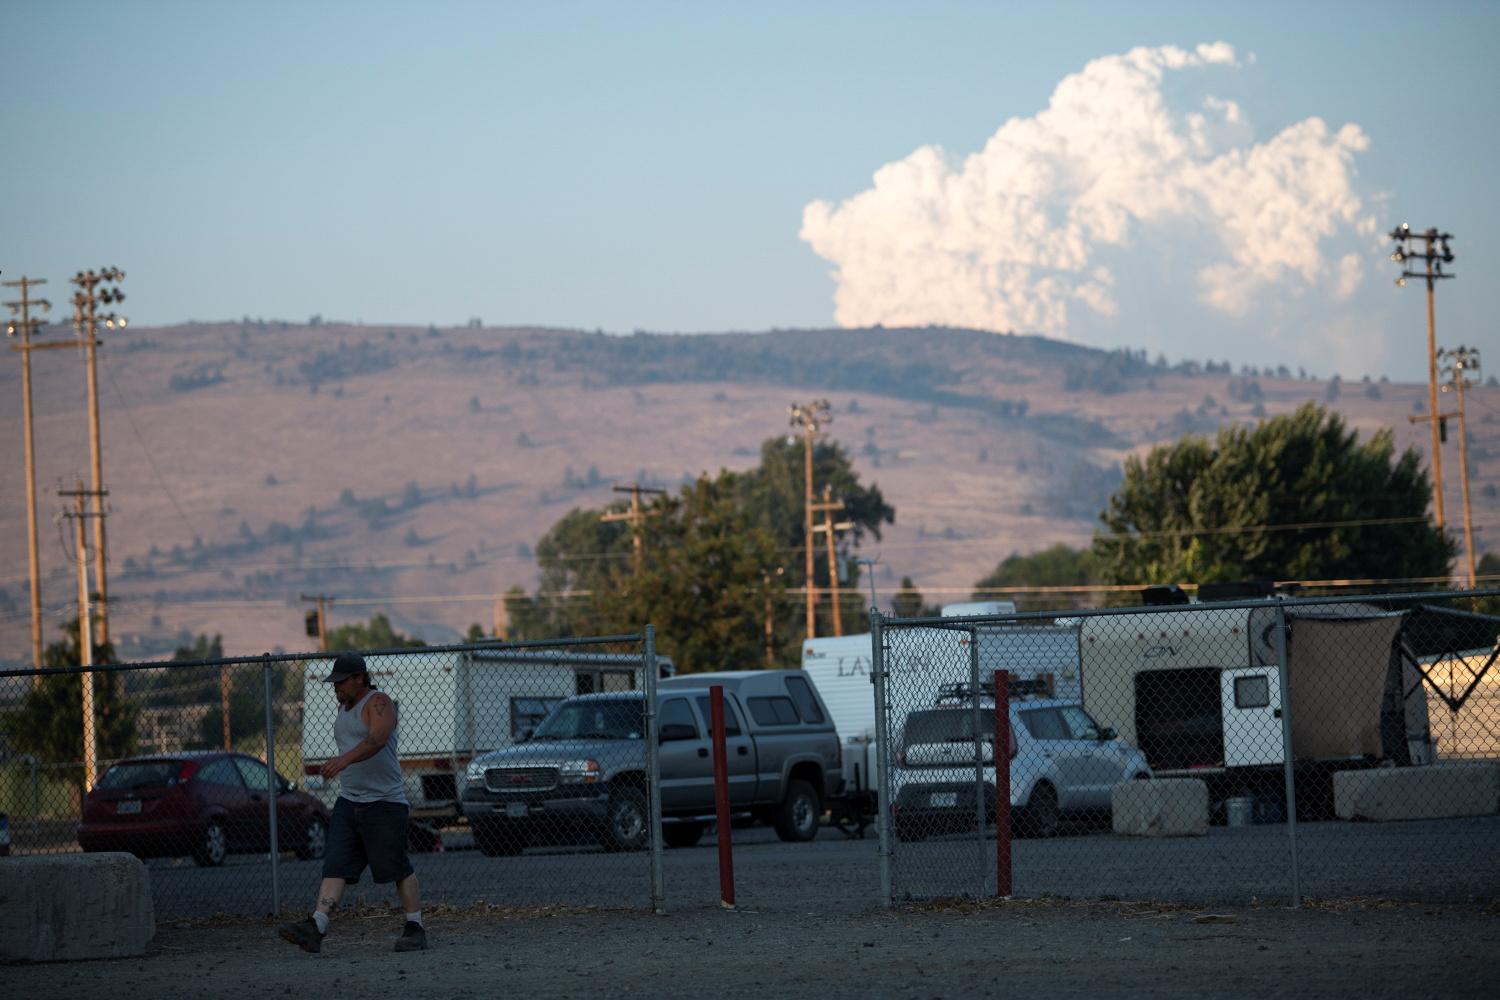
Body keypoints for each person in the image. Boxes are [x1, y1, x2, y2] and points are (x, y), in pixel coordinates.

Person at [278, 651, 427, 953]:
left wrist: (343, 760)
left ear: (360, 678)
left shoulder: (378, 702)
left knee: (396, 866)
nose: (337, 688)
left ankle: (415, 927)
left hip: (384, 802)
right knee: (336, 863)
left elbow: (378, 739)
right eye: (334, 683)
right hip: (349, 801)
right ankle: (317, 926)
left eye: (342, 682)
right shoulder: (344, 708)